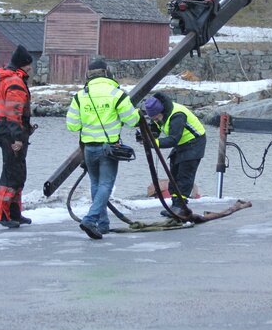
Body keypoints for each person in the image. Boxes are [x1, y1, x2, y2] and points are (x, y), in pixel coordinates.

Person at [67, 59, 140, 240]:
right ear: (107, 73)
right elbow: (133, 121)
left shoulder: (80, 96)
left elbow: (72, 126)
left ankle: (103, 224)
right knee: (106, 185)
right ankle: (91, 220)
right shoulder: (117, 94)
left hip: (89, 149)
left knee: (95, 184)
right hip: (109, 149)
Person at [0, 45, 35, 228]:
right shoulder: (15, 82)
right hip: (11, 131)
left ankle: (14, 212)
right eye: (28, 64)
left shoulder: (9, 79)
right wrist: (17, 138)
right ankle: (0, 214)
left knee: (18, 172)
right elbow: (14, 113)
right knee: (12, 173)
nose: (31, 68)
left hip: (7, 129)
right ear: (21, 65)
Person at [143, 92, 207, 217]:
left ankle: (181, 206)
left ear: (161, 111)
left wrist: (154, 143)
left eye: (157, 118)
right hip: (181, 144)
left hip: (194, 143)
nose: (156, 120)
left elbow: (173, 139)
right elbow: (155, 129)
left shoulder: (177, 115)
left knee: (184, 175)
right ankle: (175, 204)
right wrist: (147, 136)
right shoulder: (160, 114)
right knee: (174, 174)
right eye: (153, 119)